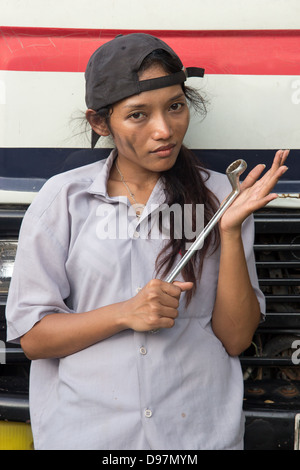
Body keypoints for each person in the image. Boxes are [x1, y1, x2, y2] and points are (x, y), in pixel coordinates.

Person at [6, 33, 289, 450]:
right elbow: (33, 338)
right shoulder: (63, 199)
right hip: (88, 436)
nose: (165, 130)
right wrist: (124, 312)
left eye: (175, 106)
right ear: (100, 123)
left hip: (196, 437)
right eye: (138, 115)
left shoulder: (222, 200)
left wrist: (228, 230)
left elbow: (235, 339)